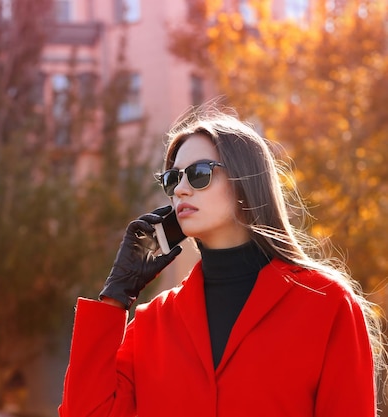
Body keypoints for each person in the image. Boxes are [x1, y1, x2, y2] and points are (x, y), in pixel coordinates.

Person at [58, 106, 385, 417]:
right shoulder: (153, 324)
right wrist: (117, 294)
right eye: (172, 179)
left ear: (245, 181)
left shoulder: (326, 303)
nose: (181, 190)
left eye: (198, 174)